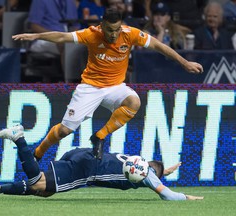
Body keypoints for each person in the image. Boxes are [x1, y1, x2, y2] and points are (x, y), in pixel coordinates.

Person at [12, 8, 203, 160]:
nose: (114, 34)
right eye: (110, 30)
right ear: (102, 26)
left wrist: (185, 63)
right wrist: (35, 36)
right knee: (64, 130)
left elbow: (158, 46)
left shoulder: (130, 34)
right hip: (90, 88)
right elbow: (63, 36)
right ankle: (38, 152)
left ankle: (99, 136)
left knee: (134, 102)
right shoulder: (91, 34)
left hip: (114, 87)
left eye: (117, 29)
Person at [0, 124, 204, 201]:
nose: (154, 181)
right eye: (157, 176)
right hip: (86, 169)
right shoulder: (146, 173)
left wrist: (167, 168)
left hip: (82, 155)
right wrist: (187, 197)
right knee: (38, 183)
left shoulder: (139, 160)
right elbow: (167, 194)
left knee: (45, 191)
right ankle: (19, 137)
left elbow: (157, 171)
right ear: (154, 173)